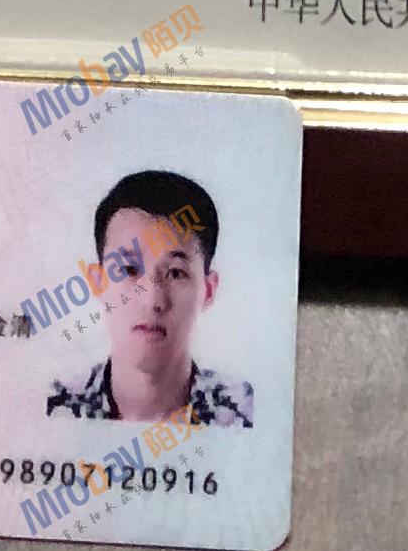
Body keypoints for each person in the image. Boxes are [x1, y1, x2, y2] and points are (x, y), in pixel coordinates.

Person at [42, 166, 252, 426]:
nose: (152, 300)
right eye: (129, 270)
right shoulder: (56, 408)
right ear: (97, 281)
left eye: (175, 273)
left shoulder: (241, 415)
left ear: (208, 290)